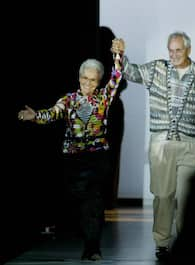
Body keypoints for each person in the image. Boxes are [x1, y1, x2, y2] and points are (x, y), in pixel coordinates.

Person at [111, 31, 195, 260]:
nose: (173, 55)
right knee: (163, 195)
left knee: (185, 196)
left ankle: (184, 242)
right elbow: (130, 72)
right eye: (170, 50)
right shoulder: (157, 69)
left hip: (190, 143)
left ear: (188, 50)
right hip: (161, 143)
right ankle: (162, 242)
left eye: (178, 50)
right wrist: (121, 54)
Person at [17, 58, 122, 261]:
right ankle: (86, 234)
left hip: (97, 156)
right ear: (79, 77)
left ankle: (92, 248)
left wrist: (118, 54)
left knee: (94, 200)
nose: (88, 83)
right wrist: (35, 116)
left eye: (93, 80)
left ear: (99, 81)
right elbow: (53, 113)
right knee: (79, 201)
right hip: (74, 158)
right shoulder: (69, 100)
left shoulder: (104, 98)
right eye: (85, 78)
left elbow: (116, 77)